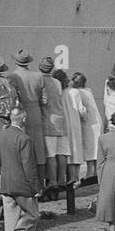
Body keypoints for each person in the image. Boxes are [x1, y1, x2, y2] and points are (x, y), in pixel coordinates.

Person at [0, 108, 41, 231]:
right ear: (24, 118)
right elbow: (29, 166)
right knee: (32, 215)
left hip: (6, 182)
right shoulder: (24, 139)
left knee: (10, 219)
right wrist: (36, 187)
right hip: (22, 185)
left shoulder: (1, 136)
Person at [8, 51, 49, 178]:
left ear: (16, 62)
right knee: (39, 149)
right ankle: (41, 182)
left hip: (22, 114)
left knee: (24, 148)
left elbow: (13, 98)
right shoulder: (38, 76)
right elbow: (45, 100)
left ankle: (27, 180)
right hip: (36, 113)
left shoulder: (13, 77)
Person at [62, 70, 100, 183]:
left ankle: (89, 174)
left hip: (87, 122)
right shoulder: (88, 90)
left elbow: (81, 110)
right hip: (94, 120)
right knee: (93, 148)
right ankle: (92, 173)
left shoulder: (74, 92)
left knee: (88, 148)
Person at [37, 57, 68, 188]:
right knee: (61, 153)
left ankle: (53, 181)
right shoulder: (57, 82)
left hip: (48, 120)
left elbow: (43, 101)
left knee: (50, 155)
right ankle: (62, 179)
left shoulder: (39, 81)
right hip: (60, 119)